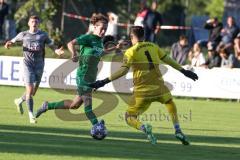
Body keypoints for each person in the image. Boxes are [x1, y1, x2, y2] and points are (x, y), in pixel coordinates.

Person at [89, 26, 198, 145]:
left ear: (131, 37)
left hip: (142, 91)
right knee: (169, 102)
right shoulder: (153, 46)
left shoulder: (131, 51)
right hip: (159, 87)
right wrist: (184, 71)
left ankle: (144, 127)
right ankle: (177, 130)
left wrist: (103, 82)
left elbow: (123, 71)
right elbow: (168, 60)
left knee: (129, 117)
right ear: (144, 36)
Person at [35, 14, 109, 129]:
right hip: (83, 76)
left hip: (91, 78)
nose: (103, 31)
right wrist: (74, 54)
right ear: (95, 27)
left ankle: (47, 106)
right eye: (101, 28)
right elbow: (70, 43)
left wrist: (115, 48)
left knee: (75, 105)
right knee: (88, 106)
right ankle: (97, 126)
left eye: (105, 29)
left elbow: (100, 53)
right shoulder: (88, 38)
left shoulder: (99, 42)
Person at [4, 15, 64, 123]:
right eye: (32, 21)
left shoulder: (43, 35)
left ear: (38, 23)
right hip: (28, 65)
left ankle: (19, 101)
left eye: (36, 21)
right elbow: (12, 41)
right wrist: (9, 43)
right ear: (28, 23)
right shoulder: (23, 34)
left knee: (32, 92)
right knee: (30, 89)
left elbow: (52, 45)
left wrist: (57, 51)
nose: (34, 23)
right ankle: (31, 115)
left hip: (39, 66)